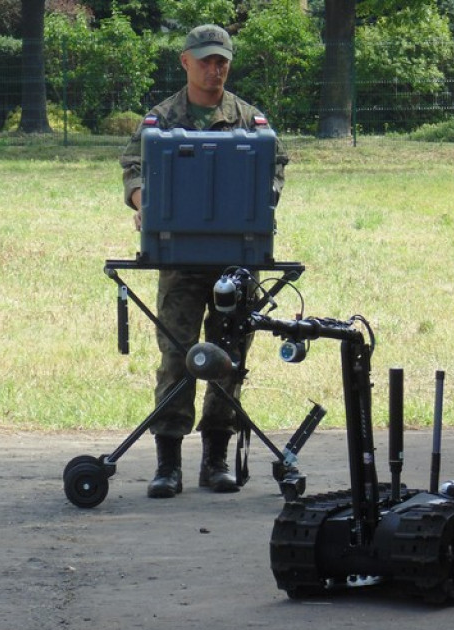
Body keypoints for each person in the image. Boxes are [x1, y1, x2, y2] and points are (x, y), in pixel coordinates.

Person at [120, 23, 289, 499]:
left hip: (237, 260)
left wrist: (258, 203)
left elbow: (274, 171)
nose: (214, 70)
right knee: (178, 356)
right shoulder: (160, 119)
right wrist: (146, 206)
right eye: (206, 61)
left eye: (222, 62)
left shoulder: (250, 120)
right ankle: (168, 464)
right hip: (180, 260)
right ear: (185, 62)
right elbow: (134, 171)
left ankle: (216, 459)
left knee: (228, 357)